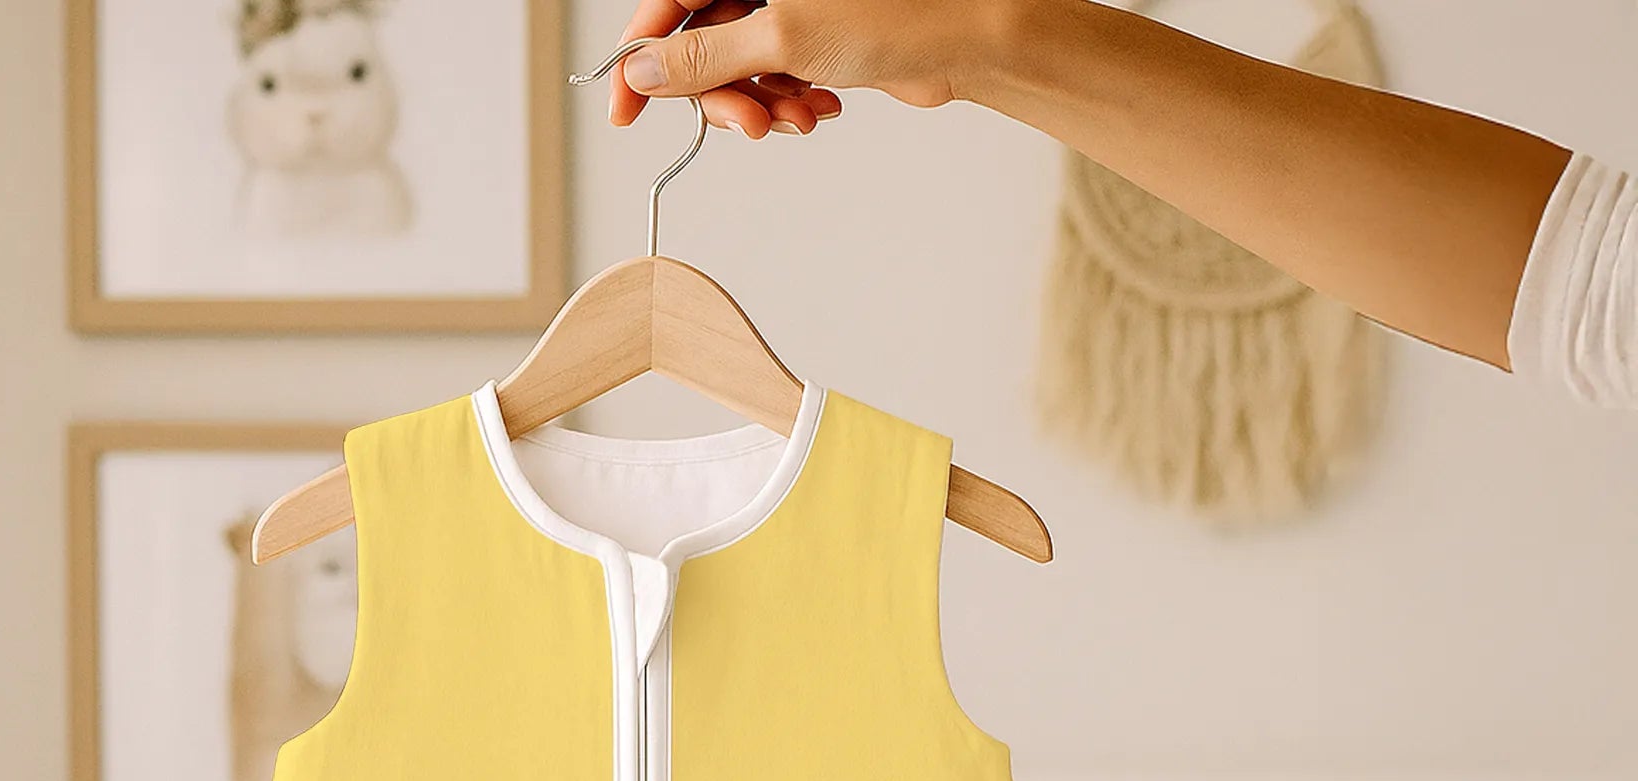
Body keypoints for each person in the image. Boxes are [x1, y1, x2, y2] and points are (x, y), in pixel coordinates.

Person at [607, 0, 1635, 408]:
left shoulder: (872, 515)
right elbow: (1591, 288)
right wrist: (970, 38)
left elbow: (1588, 295)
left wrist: (976, 37)